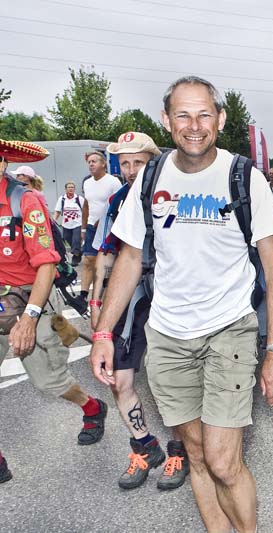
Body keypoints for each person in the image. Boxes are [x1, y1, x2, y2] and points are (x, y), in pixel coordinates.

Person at [89, 76, 273, 533]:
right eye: (183, 114)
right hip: (166, 336)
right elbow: (131, 256)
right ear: (166, 120)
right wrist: (104, 333)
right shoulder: (151, 177)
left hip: (229, 332)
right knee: (196, 456)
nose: (194, 125)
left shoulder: (245, 177)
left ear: (220, 120)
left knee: (223, 461)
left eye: (204, 114)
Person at [88, 131, 189, 491]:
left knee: (174, 380)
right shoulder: (115, 201)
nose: (131, 170)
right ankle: (144, 446)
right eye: (125, 163)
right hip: (129, 294)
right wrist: (97, 302)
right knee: (119, 378)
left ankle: (180, 448)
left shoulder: (173, 196)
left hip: (169, 293)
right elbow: (105, 253)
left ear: (153, 162)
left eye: (138, 163)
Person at [1, 147, 109, 462]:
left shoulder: (25, 201)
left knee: (48, 380)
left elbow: (46, 265)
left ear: (4, 162)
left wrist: (30, 319)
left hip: (32, 294)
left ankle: (91, 407)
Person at [79, 151, 123, 305]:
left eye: (94, 161)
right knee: (88, 260)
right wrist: (83, 228)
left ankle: (109, 290)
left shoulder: (113, 182)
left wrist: (104, 220)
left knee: (107, 261)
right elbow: (86, 205)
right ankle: (83, 294)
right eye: (89, 162)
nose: (91, 164)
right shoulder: (87, 183)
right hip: (91, 226)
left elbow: (119, 205)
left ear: (103, 164)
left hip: (108, 228)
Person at [53, 181, 84, 265]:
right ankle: (79, 251)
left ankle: (75, 257)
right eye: (69, 187)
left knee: (76, 240)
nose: (71, 189)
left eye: (72, 187)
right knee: (67, 238)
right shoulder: (62, 199)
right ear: (65, 189)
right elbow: (58, 211)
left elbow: (85, 211)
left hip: (77, 224)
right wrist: (54, 220)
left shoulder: (79, 199)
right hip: (66, 224)